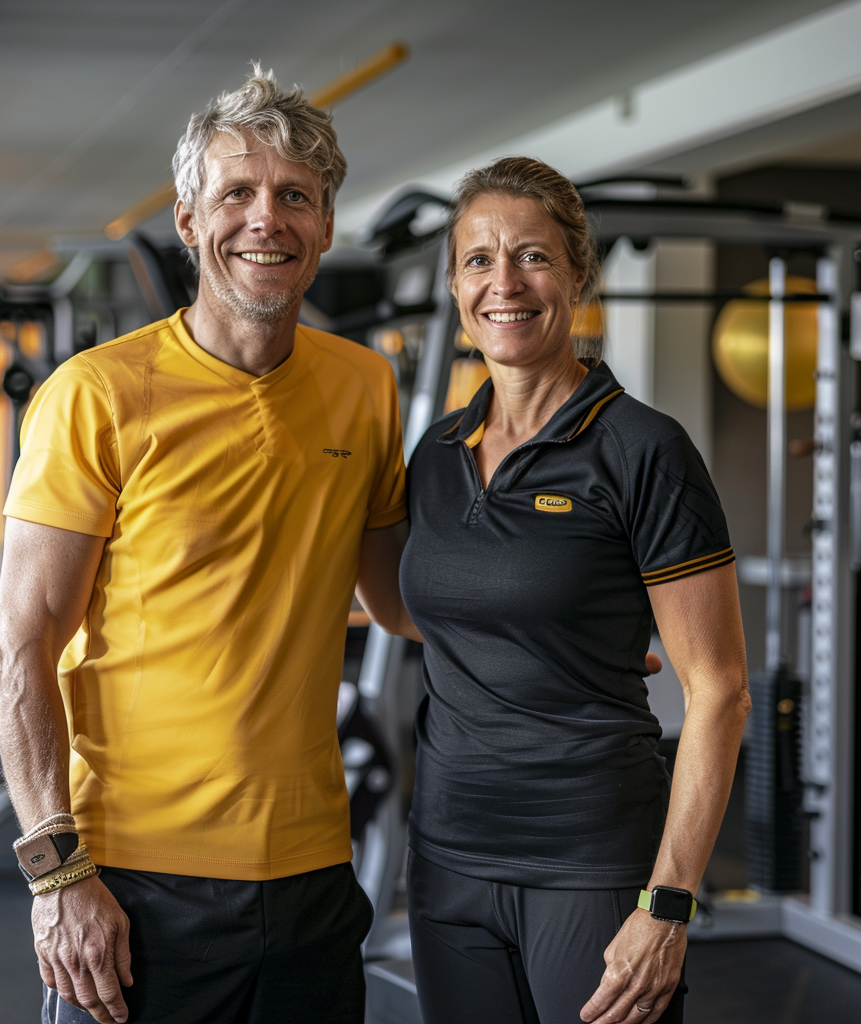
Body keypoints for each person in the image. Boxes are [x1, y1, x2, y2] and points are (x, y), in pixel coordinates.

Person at [0, 70, 413, 1024]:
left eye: (295, 196)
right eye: (238, 193)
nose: (268, 218)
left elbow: (397, 598)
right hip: (138, 878)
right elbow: (19, 650)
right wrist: (57, 878)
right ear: (188, 220)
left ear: (327, 225)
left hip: (312, 871)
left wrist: (561, 632)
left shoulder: (365, 386)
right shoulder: (97, 394)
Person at [397, 157, 750, 1024]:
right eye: (478, 260)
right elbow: (416, 609)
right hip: (446, 861)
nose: (504, 283)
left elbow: (721, 690)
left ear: (578, 275)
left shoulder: (643, 450)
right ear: (453, 284)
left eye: (533, 256)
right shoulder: (436, 456)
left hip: (590, 864)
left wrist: (668, 903)